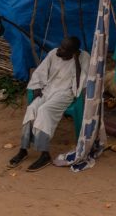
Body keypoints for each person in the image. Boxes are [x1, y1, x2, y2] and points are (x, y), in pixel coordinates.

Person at [9, 36, 89, 172]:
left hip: (65, 93)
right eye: (61, 46)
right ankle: (23, 149)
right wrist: (37, 87)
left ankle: (44, 154)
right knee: (32, 108)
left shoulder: (83, 58)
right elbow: (41, 71)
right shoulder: (54, 53)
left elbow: (81, 82)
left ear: (73, 52)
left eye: (64, 49)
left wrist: (76, 61)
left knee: (44, 111)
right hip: (48, 89)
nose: (59, 50)